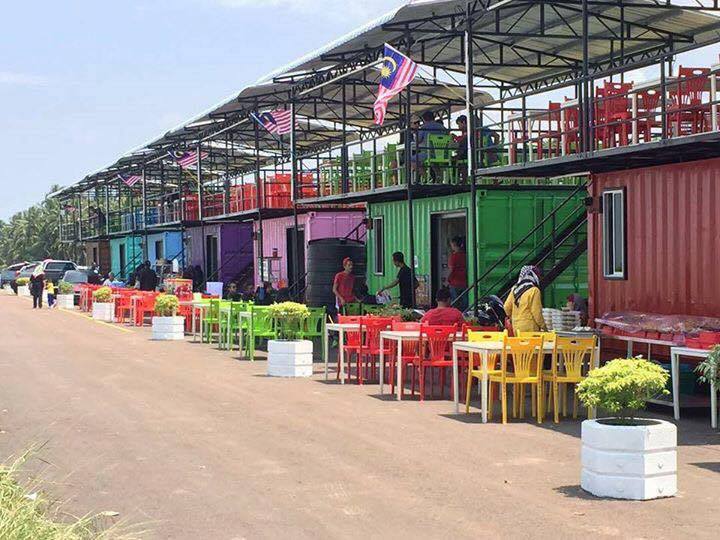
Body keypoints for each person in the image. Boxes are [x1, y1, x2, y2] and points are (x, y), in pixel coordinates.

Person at [503, 265, 547, 332]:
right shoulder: (534, 290)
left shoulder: (514, 289)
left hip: (516, 327)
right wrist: (544, 327)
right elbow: (537, 313)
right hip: (530, 328)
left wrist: (512, 318)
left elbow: (506, 308)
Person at [447, 236, 467, 312]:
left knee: (455, 301)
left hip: (454, 282)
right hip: (464, 281)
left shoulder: (453, 256)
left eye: (451, 245)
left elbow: (451, 269)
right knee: (464, 301)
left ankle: (455, 314)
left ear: (454, 245)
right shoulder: (465, 255)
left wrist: (447, 279)